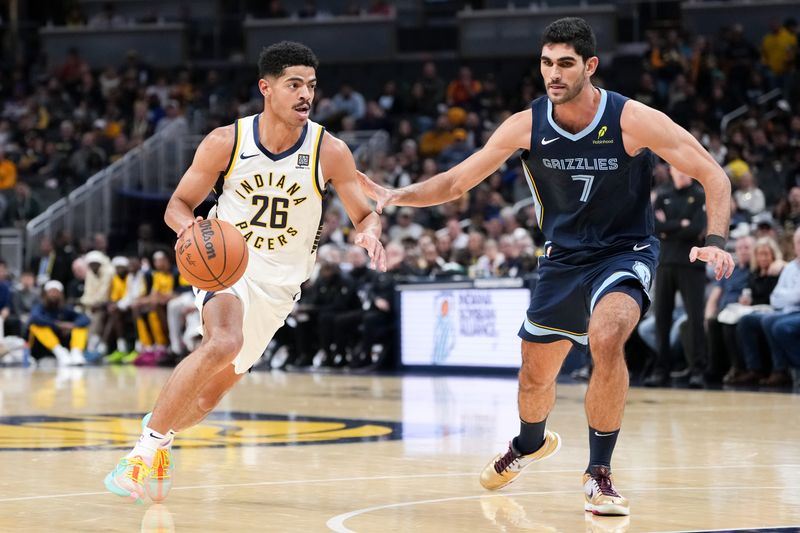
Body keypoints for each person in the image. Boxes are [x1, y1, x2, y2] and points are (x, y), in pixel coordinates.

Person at [358, 17, 734, 517]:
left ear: (590, 66)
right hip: (562, 259)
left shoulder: (632, 119)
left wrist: (716, 241)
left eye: (565, 64)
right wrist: (396, 196)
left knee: (607, 335)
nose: (553, 74)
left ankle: (598, 472)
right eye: (546, 63)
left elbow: (713, 174)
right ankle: (528, 442)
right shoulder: (526, 125)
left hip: (625, 252)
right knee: (534, 379)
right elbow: (455, 183)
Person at [104, 41, 385, 504]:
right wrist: (188, 229)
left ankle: (161, 436)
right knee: (224, 341)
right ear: (266, 87)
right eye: (294, 84)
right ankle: (140, 453)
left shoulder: (329, 150)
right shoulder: (226, 141)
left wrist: (369, 231)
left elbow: (363, 213)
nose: (305, 95)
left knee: (204, 403)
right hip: (225, 264)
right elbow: (178, 205)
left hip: (281, 285)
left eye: (311, 86)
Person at [645, 166, 707, 388]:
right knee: (661, 318)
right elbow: (653, 226)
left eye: (684, 170)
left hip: (692, 264)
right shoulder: (663, 195)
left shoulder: (699, 194)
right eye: (676, 169)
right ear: (670, 171)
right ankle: (661, 370)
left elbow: (697, 228)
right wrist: (681, 224)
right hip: (666, 263)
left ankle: (698, 370)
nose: (680, 173)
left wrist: (668, 228)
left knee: (695, 318)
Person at [28, 280, 89, 366]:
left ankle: (76, 352)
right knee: (36, 326)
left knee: (80, 327)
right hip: (44, 347)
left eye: (56, 292)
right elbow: (34, 318)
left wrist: (72, 325)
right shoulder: (39, 307)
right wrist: (57, 325)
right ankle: (60, 352)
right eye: (51, 292)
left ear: (61, 294)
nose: (54, 294)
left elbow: (85, 318)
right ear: (45, 294)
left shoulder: (65, 307)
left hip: (64, 341)